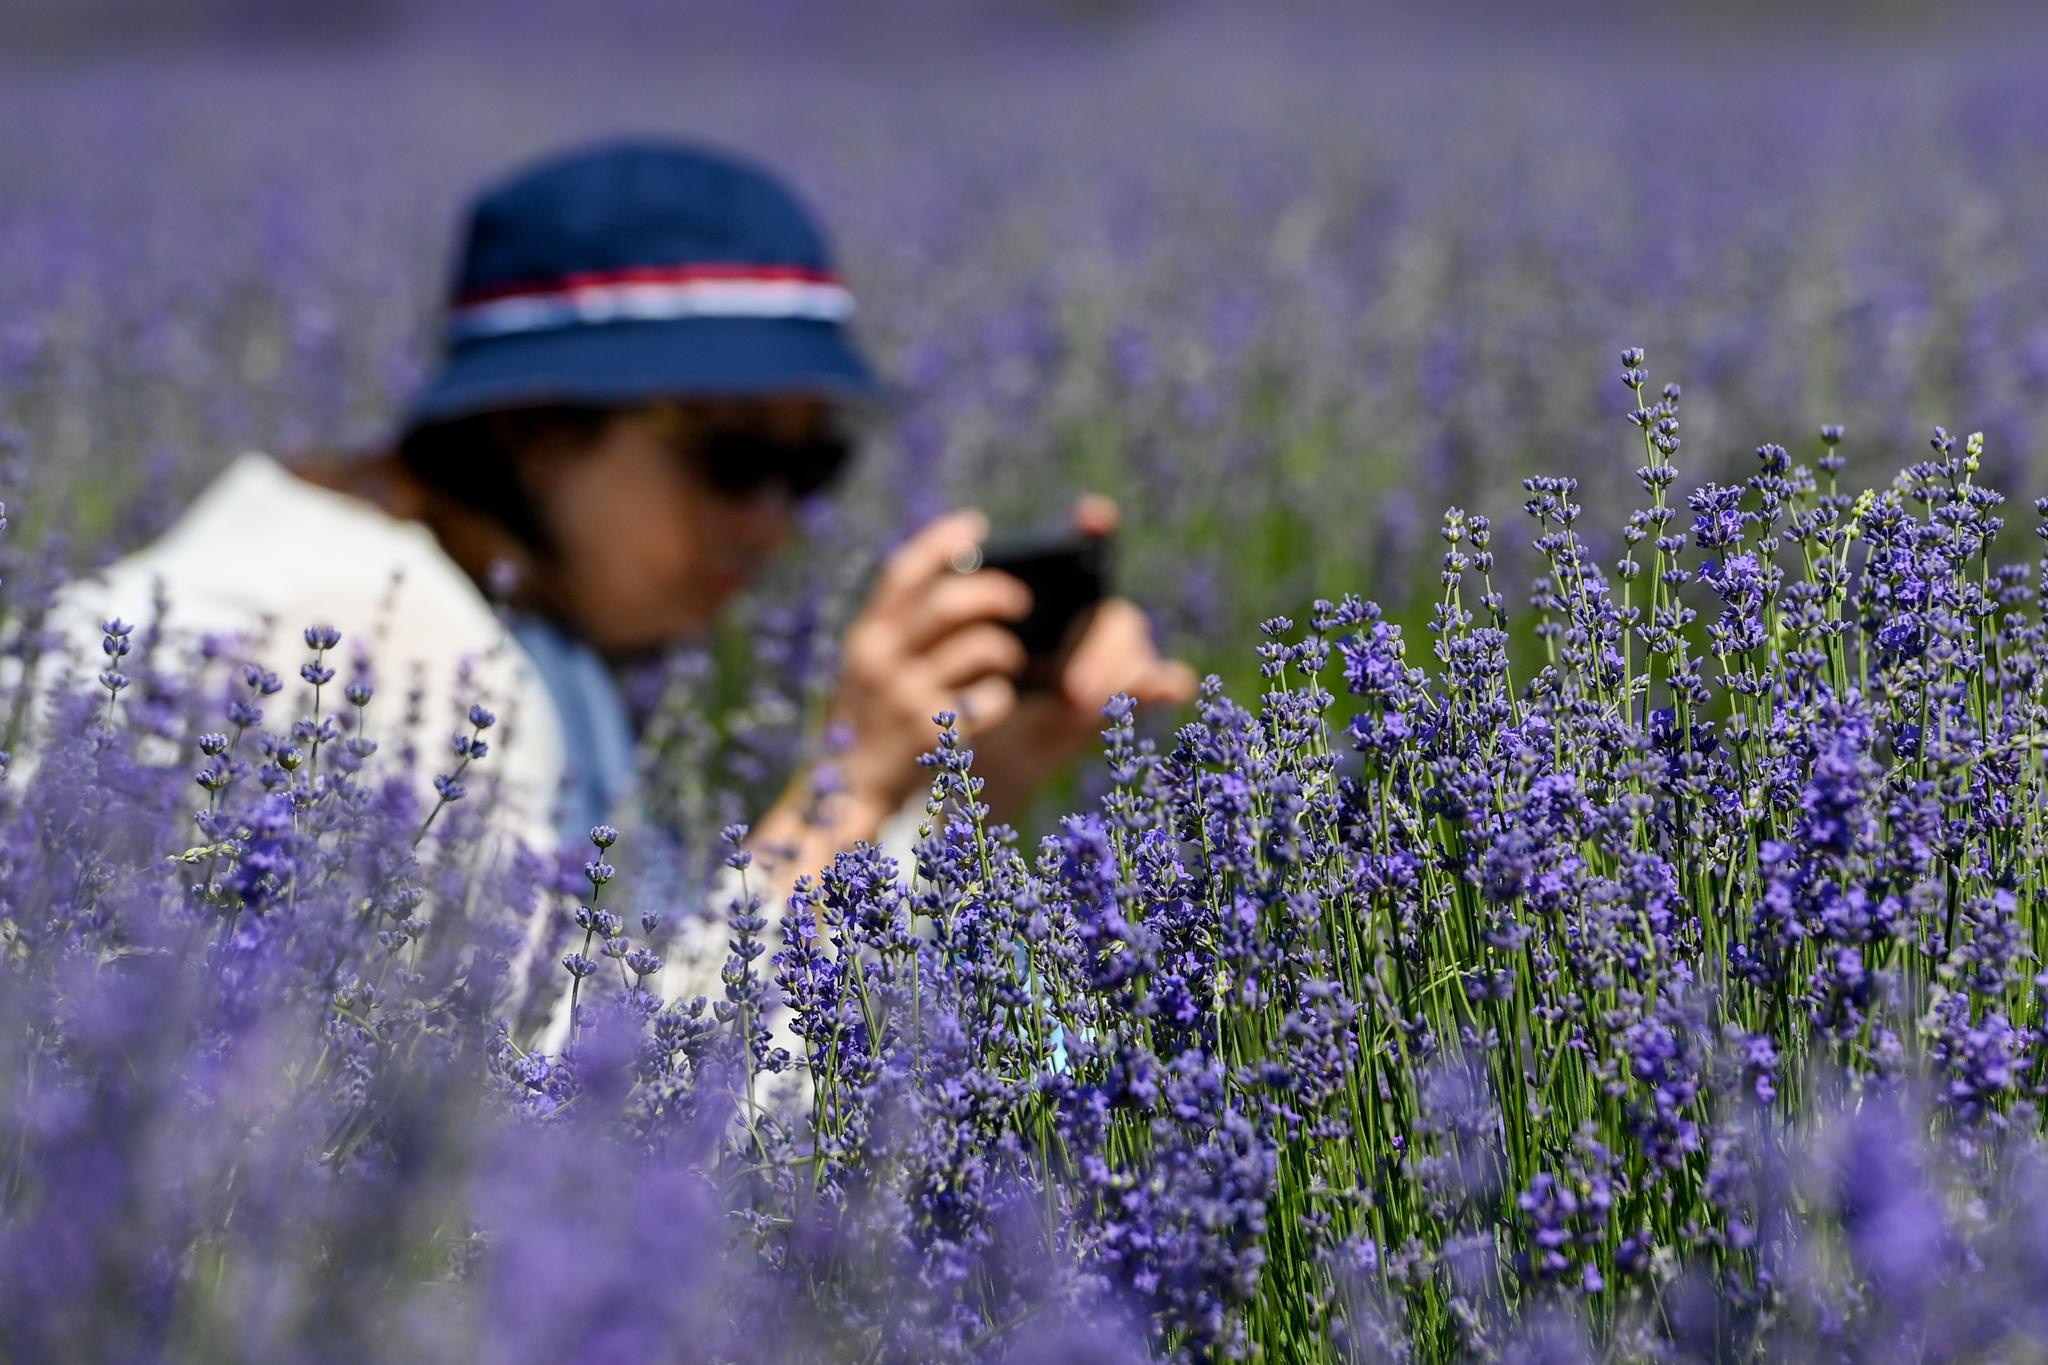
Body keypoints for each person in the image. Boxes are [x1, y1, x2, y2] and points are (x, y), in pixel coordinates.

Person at [53, 138, 1196, 1026]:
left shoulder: (495, 610)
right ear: (532, 431)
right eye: (730, 456)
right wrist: (837, 807)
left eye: (812, 465)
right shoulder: (365, 653)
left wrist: (961, 788)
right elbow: (560, 1162)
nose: (773, 521)